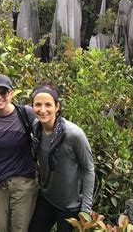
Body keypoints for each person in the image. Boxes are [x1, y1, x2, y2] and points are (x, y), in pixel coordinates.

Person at [0, 74, 38, 232]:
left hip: (23, 183)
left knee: (19, 229)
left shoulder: (26, 114)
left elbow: (46, 134)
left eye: (3, 92)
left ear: (11, 93)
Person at [28, 83, 95, 232]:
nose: (43, 110)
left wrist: (85, 209)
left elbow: (89, 169)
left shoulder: (74, 134)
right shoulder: (36, 126)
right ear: (32, 106)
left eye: (48, 105)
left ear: (57, 107)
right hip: (46, 197)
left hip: (70, 206)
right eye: (38, 104)